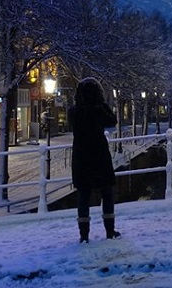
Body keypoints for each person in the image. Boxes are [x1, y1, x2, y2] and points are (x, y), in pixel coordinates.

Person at [69, 77, 119, 242]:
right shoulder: (99, 111)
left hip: (81, 158)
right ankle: (110, 231)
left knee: (83, 196)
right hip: (99, 156)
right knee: (107, 193)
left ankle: (84, 235)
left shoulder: (74, 112)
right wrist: (102, 104)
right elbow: (112, 121)